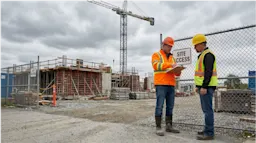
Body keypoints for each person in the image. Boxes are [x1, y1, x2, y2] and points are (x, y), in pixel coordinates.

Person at [151, 36, 182, 136]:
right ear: (163, 45)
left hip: (171, 84)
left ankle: (169, 126)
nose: (170, 48)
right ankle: (158, 127)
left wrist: (178, 70)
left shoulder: (172, 58)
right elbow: (156, 66)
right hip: (161, 84)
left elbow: (176, 74)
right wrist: (170, 65)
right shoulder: (156, 55)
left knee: (170, 106)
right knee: (159, 106)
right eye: (168, 46)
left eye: (171, 47)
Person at [192, 34, 218, 140]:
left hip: (207, 87)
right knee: (206, 110)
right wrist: (199, 86)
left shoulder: (208, 55)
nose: (194, 48)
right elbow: (201, 73)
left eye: (196, 45)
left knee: (207, 110)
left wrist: (204, 86)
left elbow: (208, 72)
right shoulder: (203, 55)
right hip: (204, 86)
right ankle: (207, 130)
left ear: (202, 44)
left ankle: (209, 133)